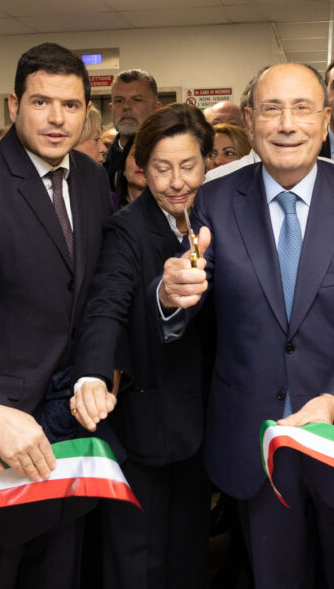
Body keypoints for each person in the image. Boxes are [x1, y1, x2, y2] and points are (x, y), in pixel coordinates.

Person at [158, 63, 334, 588]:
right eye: (272, 109)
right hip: (260, 445)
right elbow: (193, 289)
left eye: (302, 109)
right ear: (250, 122)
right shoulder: (215, 201)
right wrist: (169, 295)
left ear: (325, 120)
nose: (287, 124)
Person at [0, 42, 113, 589]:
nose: (57, 119)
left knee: (61, 568)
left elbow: (93, 291)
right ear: (14, 105)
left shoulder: (90, 178)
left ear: (86, 112)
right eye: (41, 102)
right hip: (5, 429)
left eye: (71, 105)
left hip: (71, 422)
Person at [72, 103, 213, 589]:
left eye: (188, 166)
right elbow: (106, 306)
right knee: (139, 563)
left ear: (207, 162)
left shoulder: (213, 216)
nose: (176, 182)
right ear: (141, 168)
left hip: (205, 426)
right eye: (161, 168)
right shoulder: (126, 230)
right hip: (147, 427)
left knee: (188, 558)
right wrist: (92, 374)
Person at [103, 69, 161, 189]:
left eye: (137, 100)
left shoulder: (174, 159)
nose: (126, 106)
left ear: (156, 108)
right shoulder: (98, 166)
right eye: (119, 100)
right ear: (111, 108)